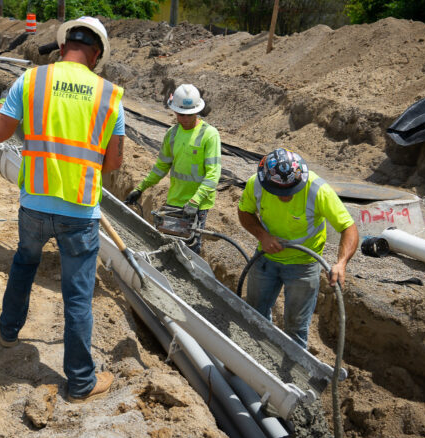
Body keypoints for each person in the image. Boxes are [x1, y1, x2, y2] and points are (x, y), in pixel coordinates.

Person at [0, 16, 125, 403]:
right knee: (77, 297)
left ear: (62, 48)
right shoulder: (110, 95)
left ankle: (8, 332)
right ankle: (80, 382)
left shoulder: (32, 80)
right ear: (96, 56)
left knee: (24, 262)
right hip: (79, 211)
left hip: (34, 201)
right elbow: (114, 163)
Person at [237, 148, 358, 349]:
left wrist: (341, 263)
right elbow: (244, 212)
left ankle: (292, 366)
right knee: (255, 314)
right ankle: (257, 353)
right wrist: (262, 236)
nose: (286, 197)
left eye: (291, 190)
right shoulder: (256, 184)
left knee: (296, 327)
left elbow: (348, 227)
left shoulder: (318, 190)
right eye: (280, 192)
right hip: (266, 260)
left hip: (304, 266)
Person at [124, 84, 220, 253]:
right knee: (167, 249)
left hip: (197, 205)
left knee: (189, 251)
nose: (185, 118)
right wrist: (140, 188)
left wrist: (195, 200)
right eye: (181, 114)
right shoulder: (172, 134)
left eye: (189, 114)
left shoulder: (209, 134)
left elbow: (213, 174)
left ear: (197, 111)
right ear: (174, 111)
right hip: (174, 201)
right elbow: (161, 167)